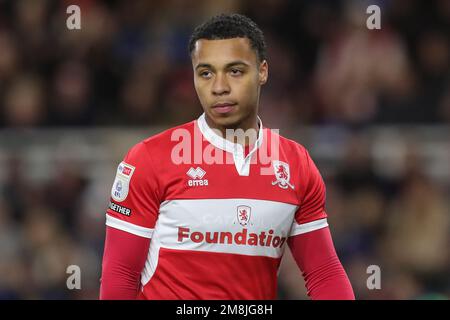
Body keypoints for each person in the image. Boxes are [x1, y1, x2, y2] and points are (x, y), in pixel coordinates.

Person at [100, 13, 354, 300]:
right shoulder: (150, 159)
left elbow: (323, 272)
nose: (219, 87)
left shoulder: (296, 164)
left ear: (263, 71)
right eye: (206, 73)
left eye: (235, 71)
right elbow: (120, 275)